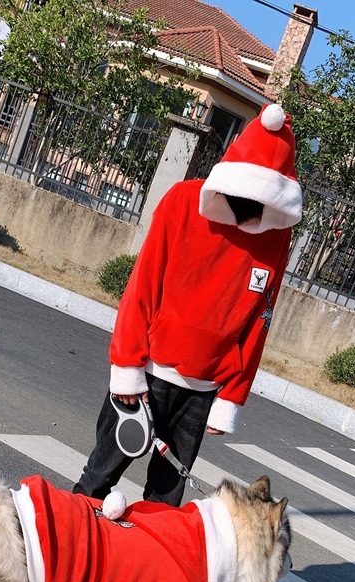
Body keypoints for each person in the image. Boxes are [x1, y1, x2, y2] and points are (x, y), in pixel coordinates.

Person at [74, 103, 303, 505]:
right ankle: (62, 551)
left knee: (165, 498)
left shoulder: (276, 236)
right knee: (98, 476)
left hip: (204, 389)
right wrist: (127, 365)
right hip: (148, 372)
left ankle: (147, 566)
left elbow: (259, 321)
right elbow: (142, 285)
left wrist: (231, 395)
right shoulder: (183, 200)